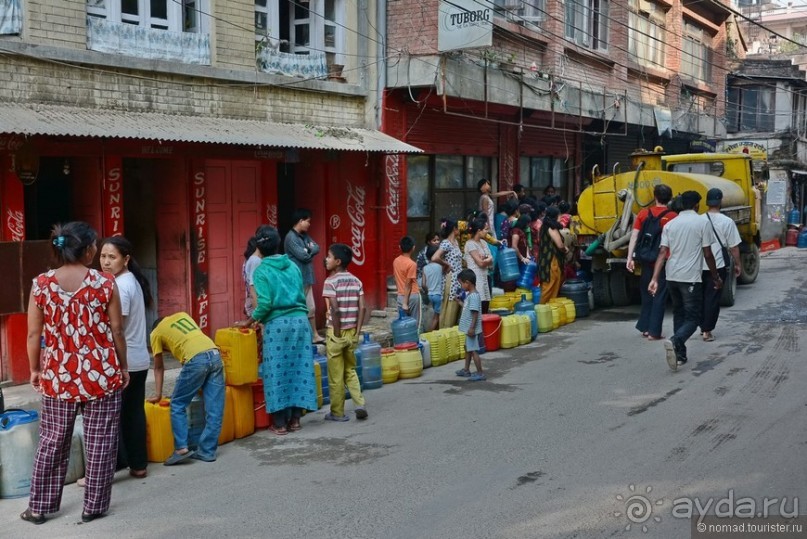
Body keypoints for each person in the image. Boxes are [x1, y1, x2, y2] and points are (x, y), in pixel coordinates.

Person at [22, 221, 128, 525]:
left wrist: (34, 369)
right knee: (100, 441)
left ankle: (39, 508)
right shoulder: (105, 283)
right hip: (100, 374)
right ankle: (93, 506)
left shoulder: (40, 284)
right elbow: (117, 330)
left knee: (52, 442)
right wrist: (121, 367)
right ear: (90, 249)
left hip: (57, 376)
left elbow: (33, 335)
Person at [238, 226, 317, 435]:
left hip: (278, 325)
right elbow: (301, 292)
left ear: (258, 247)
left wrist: (248, 322)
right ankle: (296, 420)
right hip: (300, 322)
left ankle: (280, 423)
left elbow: (264, 304)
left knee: (277, 372)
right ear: (278, 244)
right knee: (298, 369)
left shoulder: (262, 270)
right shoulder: (292, 266)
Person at [649, 191, 722, 371]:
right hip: (690, 277)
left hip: (671, 275)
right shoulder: (702, 222)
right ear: (697, 205)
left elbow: (662, 253)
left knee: (679, 313)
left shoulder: (671, 225)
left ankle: (680, 355)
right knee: (694, 317)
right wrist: (716, 276)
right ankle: (676, 341)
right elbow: (707, 253)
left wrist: (654, 279)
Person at [99, 236, 153, 480]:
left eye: (112, 257)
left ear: (126, 259)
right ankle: (138, 464)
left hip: (126, 360)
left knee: (114, 416)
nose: (106, 262)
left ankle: (110, 468)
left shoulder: (120, 286)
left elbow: (115, 328)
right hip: (138, 358)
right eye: (103, 256)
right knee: (132, 413)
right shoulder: (129, 281)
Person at [149, 313, 225, 464]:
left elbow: (158, 367)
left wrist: (158, 394)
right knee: (214, 409)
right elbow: (190, 342)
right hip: (215, 354)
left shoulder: (155, 333)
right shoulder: (183, 315)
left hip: (196, 360)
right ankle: (207, 451)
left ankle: (181, 448)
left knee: (177, 403)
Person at [322, 243, 368, 422]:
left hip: (336, 332)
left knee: (335, 376)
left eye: (329, 256)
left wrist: (338, 332)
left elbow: (334, 309)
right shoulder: (356, 281)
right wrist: (357, 332)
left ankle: (337, 412)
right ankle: (359, 403)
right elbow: (362, 307)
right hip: (352, 333)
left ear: (338, 261)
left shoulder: (330, 282)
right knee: (350, 370)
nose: (326, 259)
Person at [626, 184, 677, 341]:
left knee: (646, 293)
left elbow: (634, 237)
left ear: (655, 197)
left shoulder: (643, 213)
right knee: (660, 296)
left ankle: (645, 328)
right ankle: (654, 332)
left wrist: (630, 258)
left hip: (646, 260)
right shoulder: (674, 216)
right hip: (663, 262)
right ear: (670, 198)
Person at [700, 188, 742, 342]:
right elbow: (734, 247)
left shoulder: (699, 219)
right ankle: (707, 330)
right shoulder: (727, 221)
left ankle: (702, 325)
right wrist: (738, 264)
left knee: (702, 296)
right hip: (716, 264)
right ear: (720, 201)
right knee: (712, 298)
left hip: (698, 264)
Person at [284, 208, 324, 344]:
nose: (309, 224)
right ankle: (301, 338)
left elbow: (317, 247)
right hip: (297, 279)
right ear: (300, 221)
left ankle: (314, 335)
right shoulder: (291, 237)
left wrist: (308, 249)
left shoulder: (305, 236)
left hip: (307, 278)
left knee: (311, 308)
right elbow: (304, 256)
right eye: (308, 221)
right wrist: (308, 249)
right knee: (298, 309)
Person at [454, 269, 485, 381]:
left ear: (467, 282)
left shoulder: (474, 297)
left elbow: (475, 313)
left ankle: (480, 372)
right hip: (469, 329)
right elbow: (468, 308)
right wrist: (459, 302)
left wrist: (472, 328)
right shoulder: (470, 296)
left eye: (461, 283)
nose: (461, 286)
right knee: (468, 348)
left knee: (473, 350)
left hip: (471, 329)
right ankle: (466, 370)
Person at [431, 218, 463, 328]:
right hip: (451, 279)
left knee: (455, 307)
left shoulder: (456, 243)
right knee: (449, 307)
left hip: (458, 279)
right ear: (454, 229)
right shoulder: (446, 243)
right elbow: (435, 257)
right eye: (458, 228)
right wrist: (447, 264)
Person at [538, 207, 568, 304]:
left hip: (544, 259)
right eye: (559, 215)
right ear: (555, 216)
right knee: (550, 286)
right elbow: (559, 245)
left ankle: (548, 309)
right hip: (551, 260)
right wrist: (565, 249)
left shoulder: (544, 226)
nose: (561, 217)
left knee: (548, 285)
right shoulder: (552, 228)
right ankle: (543, 308)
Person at [464, 218, 494, 313]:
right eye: (485, 229)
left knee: (485, 305)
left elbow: (491, 260)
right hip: (476, 278)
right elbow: (480, 263)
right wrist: (487, 259)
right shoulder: (470, 244)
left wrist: (486, 259)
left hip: (485, 277)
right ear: (479, 230)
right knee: (477, 306)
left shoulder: (484, 243)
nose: (487, 231)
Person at [393, 236, 421, 326]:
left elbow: (396, 278)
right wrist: (405, 303)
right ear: (413, 248)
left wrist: (402, 299)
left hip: (400, 295)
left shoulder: (396, 261)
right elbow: (408, 283)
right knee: (414, 324)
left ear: (399, 247)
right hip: (412, 296)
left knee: (403, 324)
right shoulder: (412, 264)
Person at [421, 244, 444, 332]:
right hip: (438, 295)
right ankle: (429, 334)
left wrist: (427, 291)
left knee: (433, 315)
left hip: (430, 295)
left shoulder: (425, 268)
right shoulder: (440, 267)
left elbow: (423, 284)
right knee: (436, 317)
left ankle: (434, 332)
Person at [242, 234, 260, 317]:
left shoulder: (248, 260)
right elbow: (253, 288)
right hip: (255, 303)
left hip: (250, 300)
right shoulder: (255, 261)